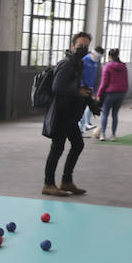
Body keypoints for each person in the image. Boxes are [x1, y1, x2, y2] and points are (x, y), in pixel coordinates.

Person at [41, 31, 94, 197]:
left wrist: (87, 97)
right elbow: (57, 87)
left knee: (78, 144)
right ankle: (48, 184)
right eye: (80, 46)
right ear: (72, 46)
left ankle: (66, 181)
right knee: (57, 147)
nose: (83, 49)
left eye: (86, 46)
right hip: (61, 113)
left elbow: (71, 87)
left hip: (70, 114)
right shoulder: (66, 63)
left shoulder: (77, 63)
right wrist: (78, 92)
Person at [95, 48, 128, 141]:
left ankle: (102, 134)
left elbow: (104, 82)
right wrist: (124, 91)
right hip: (121, 93)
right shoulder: (123, 67)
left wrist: (99, 94)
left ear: (109, 56)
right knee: (115, 114)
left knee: (105, 114)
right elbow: (126, 81)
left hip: (110, 93)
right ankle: (113, 135)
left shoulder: (107, 67)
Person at [79, 45, 103, 135]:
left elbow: (98, 77)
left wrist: (96, 91)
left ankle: (86, 124)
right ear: (92, 53)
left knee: (90, 106)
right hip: (83, 88)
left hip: (91, 88)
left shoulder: (97, 62)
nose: (97, 59)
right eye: (97, 56)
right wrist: (81, 86)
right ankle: (80, 128)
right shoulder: (85, 60)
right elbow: (79, 74)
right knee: (81, 108)